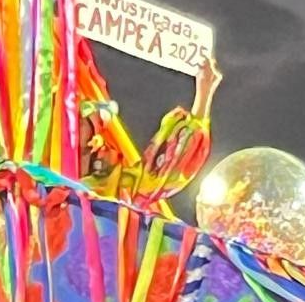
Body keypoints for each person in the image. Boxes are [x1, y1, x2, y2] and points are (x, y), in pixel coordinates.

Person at [81, 55, 222, 210]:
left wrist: (204, 93)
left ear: (93, 141)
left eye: (80, 122)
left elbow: (160, 176)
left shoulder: (104, 188)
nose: (69, 124)